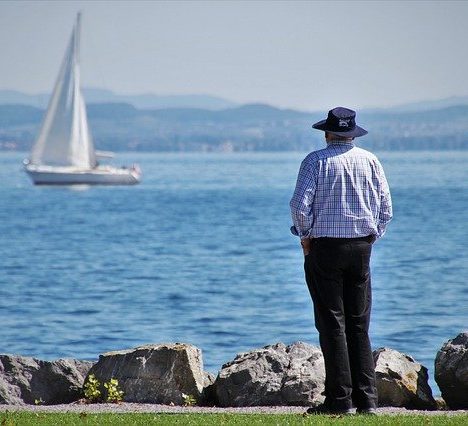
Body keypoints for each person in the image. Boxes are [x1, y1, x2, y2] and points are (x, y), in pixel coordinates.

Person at [290, 107, 393, 415]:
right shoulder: (370, 160)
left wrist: (305, 236)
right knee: (359, 324)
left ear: (327, 133)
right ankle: (368, 401)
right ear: (352, 134)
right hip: (362, 248)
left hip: (325, 248)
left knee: (332, 323)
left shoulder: (314, 161)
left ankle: (339, 401)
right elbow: (386, 207)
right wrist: (372, 236)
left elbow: (299, 205)